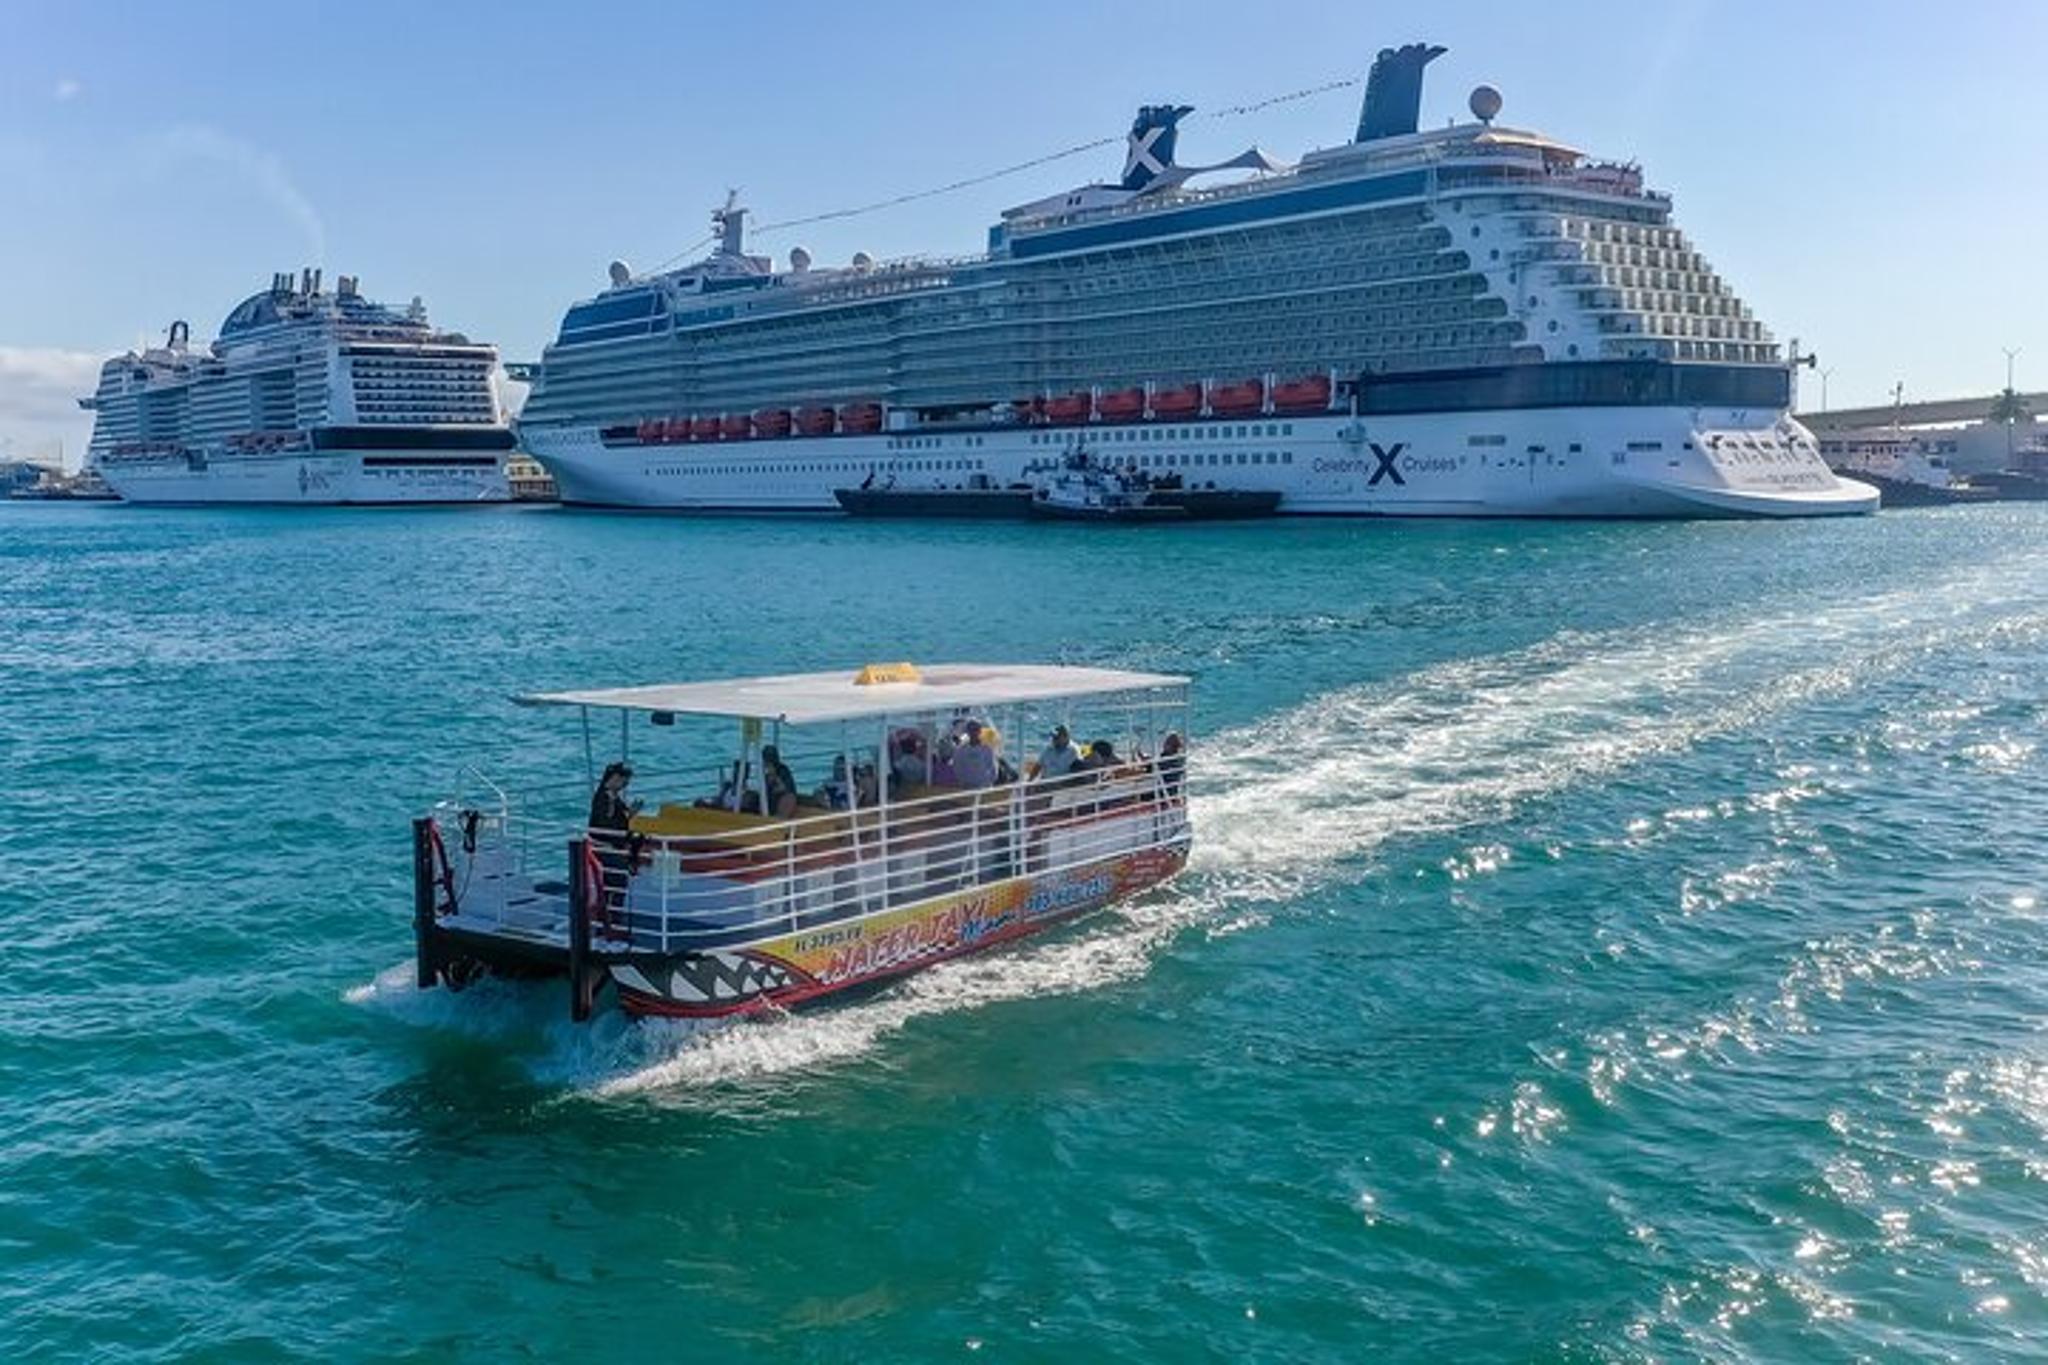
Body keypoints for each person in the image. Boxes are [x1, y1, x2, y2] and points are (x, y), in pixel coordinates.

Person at [952, 719, 998, 789]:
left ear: (980, 731)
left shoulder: (987, 749)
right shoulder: (960, 751)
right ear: (967, 732)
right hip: (967, 788)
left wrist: (986, 783)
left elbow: (993, 771)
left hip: (983, 787)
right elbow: (957, 770)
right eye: (972, 730)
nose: (974, 732)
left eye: (976, 729)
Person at [761, 744, 799, 818]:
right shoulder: (765, 774)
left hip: (783, 801)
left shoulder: (783, 770)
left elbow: (784, 788)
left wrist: (774, 776)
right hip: (771, 801)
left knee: (788, 798)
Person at [1156, 731, 1186, 799]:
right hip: (1172, 791)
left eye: (1166, 743)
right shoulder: (1179, 758)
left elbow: (1156, 767)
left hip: (1165, 793)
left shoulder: (1170, 759)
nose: (1163, 745)